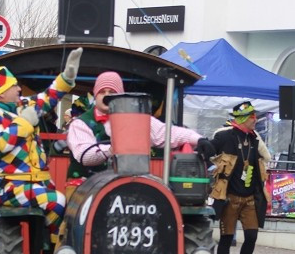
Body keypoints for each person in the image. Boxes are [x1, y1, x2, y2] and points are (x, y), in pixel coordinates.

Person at [0, 48, 82, 244]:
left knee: (71, 208)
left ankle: (51, 249)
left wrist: (66, 78)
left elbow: (46, 98)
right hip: (9, 186)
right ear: (0, 94)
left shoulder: (20, 106)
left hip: (37, 183)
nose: (19, 89)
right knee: (56, 202)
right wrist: (24, 123)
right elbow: (0, 143)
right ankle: (51, 252)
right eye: (14, 86)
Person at [66, 71, 212, 186]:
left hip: (122, 184)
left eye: (111, 92)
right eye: (102, 92)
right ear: (95, 95)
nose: (106, 96)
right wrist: (113, 149)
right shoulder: (80, 124)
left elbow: (167, 133)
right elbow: (85, 156)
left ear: (119, 96)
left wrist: (198, 139)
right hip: (84, 185)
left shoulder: (134, 119)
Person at [209, 101, 270, 254]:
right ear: (244, 118)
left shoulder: (254, 140)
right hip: (229, 198)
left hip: (250, 199)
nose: (256, 119)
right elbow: (208, 150)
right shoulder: (225, 136)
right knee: (226, 239)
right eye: (253, 117)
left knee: (251, 237)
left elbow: (265, 158)